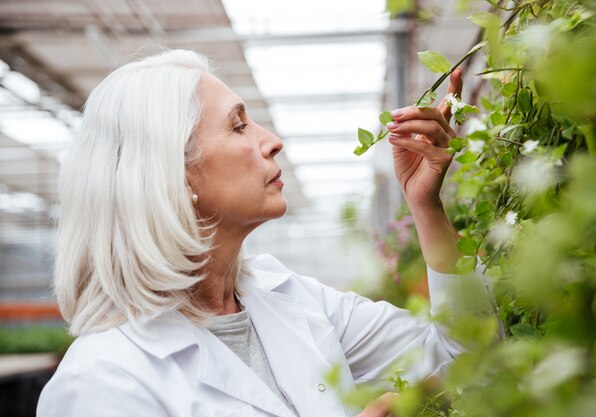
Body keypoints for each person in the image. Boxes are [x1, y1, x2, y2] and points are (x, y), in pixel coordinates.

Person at [37, 50, 494, 417]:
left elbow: (470, 356)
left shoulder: (289, 298)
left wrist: (425, 206)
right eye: (238, 125)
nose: (272, 139)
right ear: (174, 177)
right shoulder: (101, 384)